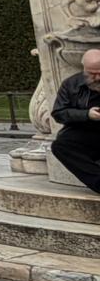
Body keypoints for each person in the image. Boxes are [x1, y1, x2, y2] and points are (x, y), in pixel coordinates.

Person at [52, 49, 100, 195]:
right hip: (85, 131)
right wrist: (87, 115)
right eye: (92, 73)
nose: (97, 77)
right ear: (83, 68)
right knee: (61, 145)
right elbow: (59, 113)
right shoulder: (70, 84)